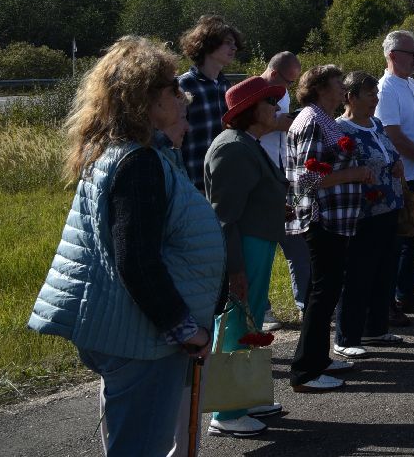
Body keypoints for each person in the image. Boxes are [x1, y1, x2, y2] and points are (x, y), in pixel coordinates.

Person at [31, 36, 224, 457]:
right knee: (140, 448)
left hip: (124, 328)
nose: (182, 94)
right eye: (173, 87)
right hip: (142, 337)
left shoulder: (118, 153)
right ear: (148, 100)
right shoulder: (138, 163)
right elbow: (135, 260)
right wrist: (185, 329)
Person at [203, 76, 290, 437]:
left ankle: (246, 396)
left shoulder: (247, 143)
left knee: (249, 319)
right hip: (244, 248)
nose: (276, 109)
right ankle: (226, 411)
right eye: (270, 102)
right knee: (237, 321)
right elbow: (225, 217)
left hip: (257, 242)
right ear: (251, 110)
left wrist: (273, 208)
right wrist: (235, 269)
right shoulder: (233, 148)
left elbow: (251, 197)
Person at [285, 64, 375, 393]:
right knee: (323, 293)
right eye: (338, 84)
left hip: (336, 219)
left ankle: (318, 359)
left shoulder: (320, 119)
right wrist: (355, 174)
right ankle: (305, 372)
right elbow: (309, 178)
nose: (342, 89)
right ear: (322, 88)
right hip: (322, 218)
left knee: (324, 291)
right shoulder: (312, 121)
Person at [333, 71, 406, 358]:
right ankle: (347, 335)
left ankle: (376, 328)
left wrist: (397, 162)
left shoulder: (375, 124)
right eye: (370, 94)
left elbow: (387, 152)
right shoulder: (340, 130)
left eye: (376, 94)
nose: (376, 99)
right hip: (362, 212)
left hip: (389, 207)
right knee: (357, 274)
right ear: (350, 97)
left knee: (384, 270)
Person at [375, 30, 414, 325]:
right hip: (403, 175)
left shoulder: (411, 83)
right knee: (397, 240)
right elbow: (393, 135)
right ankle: (388, 302)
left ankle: (406, 293)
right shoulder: (386, 88)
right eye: (411, 54)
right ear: (392, 56)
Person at [255, 51, 305, 332]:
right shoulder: (257, 91)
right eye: (288, 81)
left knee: (297, 244)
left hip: (286, 178)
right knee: (262, 249)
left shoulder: (281, 93)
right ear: (274, 74)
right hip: (261, 181)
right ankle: (262, 310)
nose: (289, 88)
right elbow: (265, 124)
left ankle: (305, 303)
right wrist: (293, 121)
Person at [176, 14, 242, 187]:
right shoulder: (182, 86)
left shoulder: (226, 86)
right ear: (208, 43)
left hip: (223, 182)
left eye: (234, 43)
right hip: (192, 183)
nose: (234, 48)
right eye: (228, 42)